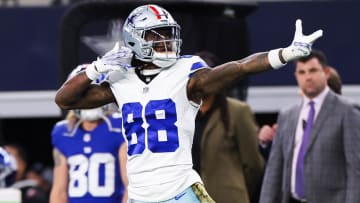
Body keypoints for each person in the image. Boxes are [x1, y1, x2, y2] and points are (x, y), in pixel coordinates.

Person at [55, 4, 323, 202]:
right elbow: (65, 99)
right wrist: (95, 68)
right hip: (139, 194)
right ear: (135, 39)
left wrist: (285, 54)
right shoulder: (120, 79)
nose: (165, 40)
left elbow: (239, 67)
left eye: (167, 33)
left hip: (181, 190)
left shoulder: (187, 73)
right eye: (155, 35)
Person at [259, 50, 360, 203]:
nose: (308, 77)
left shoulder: (347, 112)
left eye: (312, 70)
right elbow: (274, 169)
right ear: (296, 76)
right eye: (302, 72)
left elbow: (355, 170)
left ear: (325, 73)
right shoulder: (287, 116)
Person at [193, 51, 264, 203]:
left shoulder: (238, 111)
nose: (204, 82)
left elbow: (253, 165)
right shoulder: (183, 115)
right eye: (199, 77)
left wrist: (237, 190)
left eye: (209, 76)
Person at [50, 65, 128, 203]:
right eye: (83, 95)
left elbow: (130, 186)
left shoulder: (118, 126)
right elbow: (59, 190)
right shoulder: (63, 132)